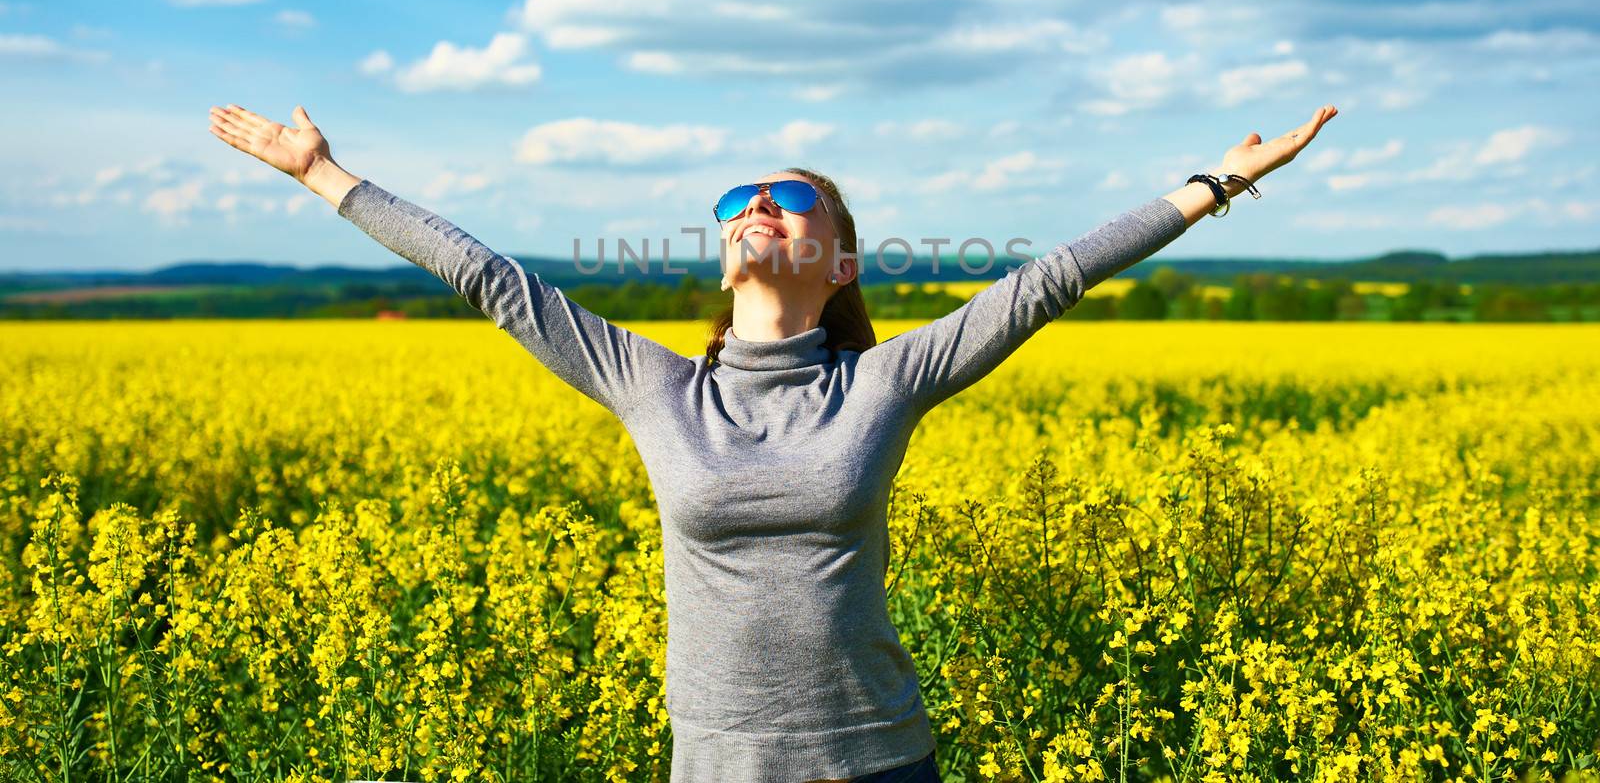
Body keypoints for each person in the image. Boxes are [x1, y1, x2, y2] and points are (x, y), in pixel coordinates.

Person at [207, 102, 1338, 782]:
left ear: (840, 262)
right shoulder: (648, 383)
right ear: (718, 252)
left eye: (794, 197)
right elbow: (486, 277)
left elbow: (1049, 280)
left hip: (878, 757)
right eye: (741, 195)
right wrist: (324, 174)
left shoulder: (883, 380)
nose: (762, 202)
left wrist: (1215, 183)